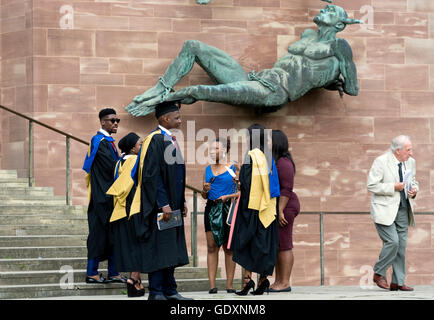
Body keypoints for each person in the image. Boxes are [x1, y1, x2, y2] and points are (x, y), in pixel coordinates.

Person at [126, 3, 361, 117]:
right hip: (257, 79)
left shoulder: (339, 46)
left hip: (274, 93)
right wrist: (325, 80)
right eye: (326, 7)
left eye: (331, 11)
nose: (324, 10)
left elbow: (352, 89)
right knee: (193, 46)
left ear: (340, 25)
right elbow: (307, 70)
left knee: (200, 90)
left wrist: (332, 80)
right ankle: (161, 87)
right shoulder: (308, 35)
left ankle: (157, 102)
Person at [129, 100, 192, 300]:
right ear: (165, 118)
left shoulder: (169, 139)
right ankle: (156, 291)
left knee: (170, 248)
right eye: (177, 117)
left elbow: (176, 175)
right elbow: (151, 176)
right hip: (160, 207)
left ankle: (170, 290)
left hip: (172, 205)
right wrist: (163, 203)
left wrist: (180, 202)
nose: (180, 121)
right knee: (159, 248)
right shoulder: (154, 140)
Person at [229, 124, 280, 296]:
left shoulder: (250, 155)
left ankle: (247, 280)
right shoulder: (269, 157)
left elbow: (248, 183)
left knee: (246, 243)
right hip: (268, 208)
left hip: (251, 209)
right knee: (264, 244)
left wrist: (239, 178)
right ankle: (263, 280)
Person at [367, 135, 419, 291]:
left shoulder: (411, 162)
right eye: (408, 150)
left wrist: (414, 190)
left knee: (401, 246)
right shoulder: (381, 162)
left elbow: (414, 180)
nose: (411, 153)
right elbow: (372, 185)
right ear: (398, 150)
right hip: (384, 210)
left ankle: (398, 281)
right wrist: (393, 187)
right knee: (393, 242)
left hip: (403, 208)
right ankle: (378, 272)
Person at [82, 108, 127, 284]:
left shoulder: (108, 142)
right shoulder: (99, 141)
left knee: (114, 234)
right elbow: (112, 167)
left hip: (111, 197)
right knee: (98, 234)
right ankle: (91, 273)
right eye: (111, 120)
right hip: (102, 198)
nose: (115, 123)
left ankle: (114, 273)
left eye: (117, 120)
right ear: (102, 122)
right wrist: (128, 160)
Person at [107, 132, 145, 297]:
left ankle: (136, 281)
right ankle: (134, 279)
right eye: (139, 144)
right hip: (133, 208)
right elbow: (132, 185)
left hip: (120, 209)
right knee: (138, 244)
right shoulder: (135, 161)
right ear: (132, 148)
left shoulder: (119, 162)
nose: (142, 147)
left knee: (130, 245)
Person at [200, 138, 239, 294]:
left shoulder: (233, 167)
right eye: (210, 149)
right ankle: (212, 286)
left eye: (215, 148)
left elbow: (242, 192)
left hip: (228, 209)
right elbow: (204, 195)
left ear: (224, 150)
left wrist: (227, 197)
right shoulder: (207, 168)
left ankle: (229, 285)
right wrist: (204, 190)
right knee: (211, 247)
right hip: (211, 208)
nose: (211, 151)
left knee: (228, 248)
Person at [268, 130, 300, 293]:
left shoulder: (284, 162)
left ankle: (285, 282)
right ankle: (278, 281)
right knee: (278, 244)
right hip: (279, 206)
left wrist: (280, 210)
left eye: (269, 140)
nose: (267, 143)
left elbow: (287, 189)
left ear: (276, 142)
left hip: (285, 206)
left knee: (285, 244)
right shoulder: (276, 160)